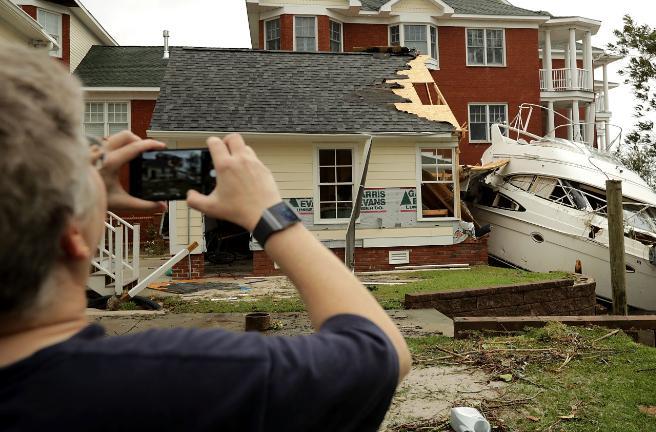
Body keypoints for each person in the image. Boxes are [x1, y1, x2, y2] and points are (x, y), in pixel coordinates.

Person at [0, 43, 411, 431]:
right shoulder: (178, 379)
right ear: (70, 234)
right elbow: (382, 353)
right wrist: (271, 215)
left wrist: (77, 193)